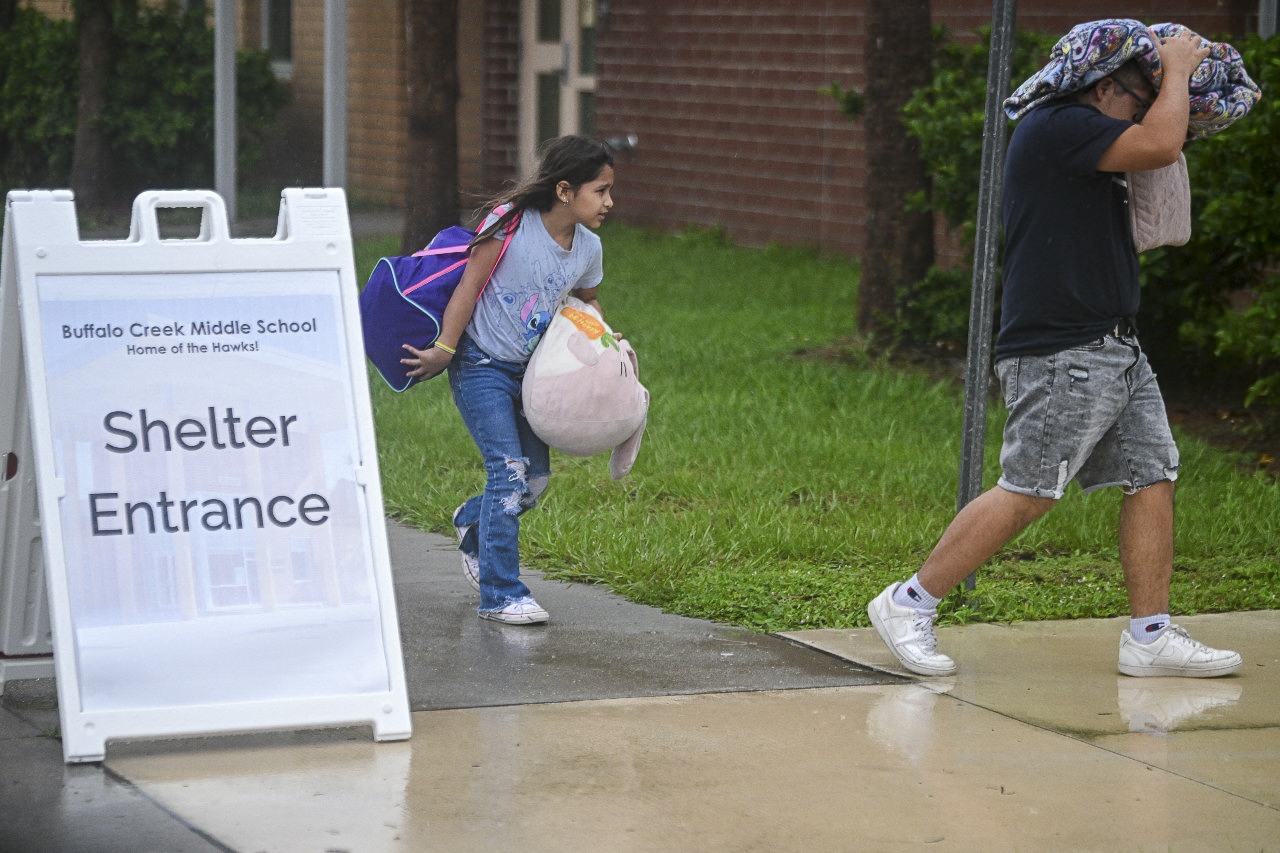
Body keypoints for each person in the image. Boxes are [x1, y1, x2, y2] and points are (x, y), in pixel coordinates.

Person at [867, 30, 1242, 678]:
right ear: (1103, 88)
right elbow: (1162, 141)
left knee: (1153, 472)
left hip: (1114, 343)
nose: (1144, 110)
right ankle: (908, 601)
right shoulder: (1059, 126)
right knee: (1032, 488)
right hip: (1061, 348)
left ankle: (1149, 635)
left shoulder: (1090, 135)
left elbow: (1159, 146)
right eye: (1138, 98)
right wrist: (1176, 68)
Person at [400, 135, 616, 625]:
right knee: (510, 472)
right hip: (480, 363)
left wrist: (600, 337)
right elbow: (469, 287)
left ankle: (471, 521)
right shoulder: (511, 225)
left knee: (535, 481)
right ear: (565, 190)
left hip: (532, 374)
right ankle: (500, 594)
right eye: (600, 191)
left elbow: (587, 300)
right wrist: (445, 350)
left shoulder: (589, 248)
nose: (609, 202)